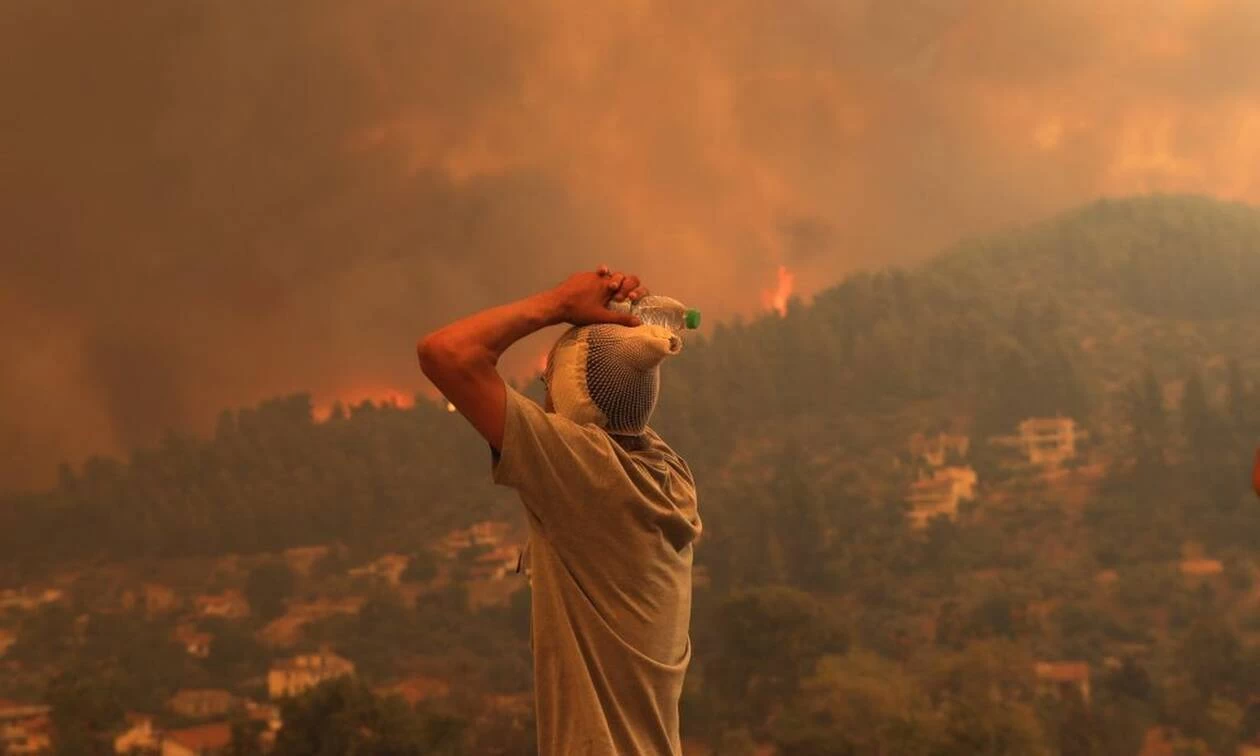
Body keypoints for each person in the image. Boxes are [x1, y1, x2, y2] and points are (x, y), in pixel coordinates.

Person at [417, 266, 701, 756]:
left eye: (547, 379)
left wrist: (559, 305)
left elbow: (446, 353)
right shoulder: (668, 474)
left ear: (569, 395)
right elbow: (615, 400)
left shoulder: (582, 471)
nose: (539, 395)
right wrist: (618, 328)